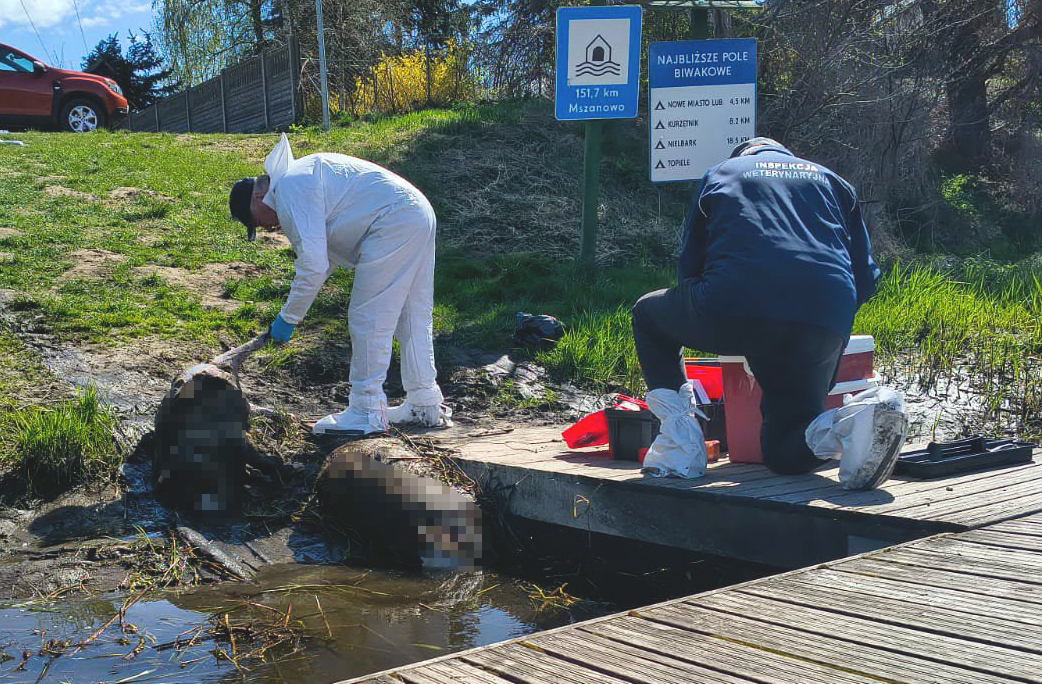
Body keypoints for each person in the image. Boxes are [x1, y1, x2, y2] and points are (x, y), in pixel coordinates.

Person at [632, 137, 890, 482]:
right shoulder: (833, 181)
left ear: (743, 155)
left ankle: (681, 450)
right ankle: (853, 420)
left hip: (735, 304)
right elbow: (866, 277)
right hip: (823, 319)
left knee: (648, 315)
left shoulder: (723, 173)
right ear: (787, 154)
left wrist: (715, 317)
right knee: (785, 452)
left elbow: (690, 265)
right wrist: (828, 323)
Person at [228, 134, 451, 435]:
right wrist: (293, 311)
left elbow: (313, 265)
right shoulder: (301, 178)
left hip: (394, 220)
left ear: (257, 198)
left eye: (256, 222)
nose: (266, 228)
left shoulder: (290, 187)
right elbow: (323, 260)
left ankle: (366, 410)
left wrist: (288, 318)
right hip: (415, 212)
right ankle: (424, 402)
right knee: (412, 316)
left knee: (367, 318)